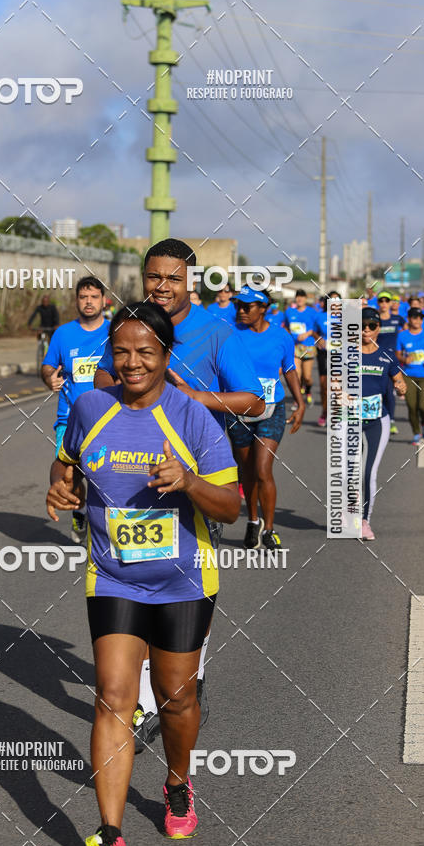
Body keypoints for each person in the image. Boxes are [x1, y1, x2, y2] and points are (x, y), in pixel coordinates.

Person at [46, 303, 240, 846]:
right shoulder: (89, 407)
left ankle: (178, 782)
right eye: (122, 351)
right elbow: (65, 467)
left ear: (165, 354)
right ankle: (109, 837)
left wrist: (189, 482)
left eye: (146, 352)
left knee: (177, 698)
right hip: (112, 575)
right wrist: (59, 491)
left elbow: (231, 506)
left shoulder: (193, 417)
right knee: (112, 696)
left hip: (183, 579)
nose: (132, 363)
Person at [93, 238, 264, 748]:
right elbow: (106, 377)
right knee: (135, 578)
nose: (161, 286)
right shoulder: (132, 324)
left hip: (198, 479)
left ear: (191, 280)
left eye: (172, 278)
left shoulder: (215, 332)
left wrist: (193, 397)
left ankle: (183, 681)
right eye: (153, 277)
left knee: (184, 582)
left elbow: (254, 399)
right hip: (132, 478)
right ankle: (145, 701)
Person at [228, 286, 304, 549]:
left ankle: (269, 529)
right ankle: (252, 520)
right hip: (239, 409)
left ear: (263, 309)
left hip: (272, 407)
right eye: (238, 305)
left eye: (246, 307)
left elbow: (290, 369)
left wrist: (301, 402)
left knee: (262, 469)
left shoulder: (281, 336)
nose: (240, 311)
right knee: (246, 471)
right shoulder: (230, 333)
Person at [41, 276, 110, 542]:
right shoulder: (63, 334)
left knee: (104, 473)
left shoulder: (115, 330)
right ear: (77, 301)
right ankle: (79, 511)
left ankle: (106, 524)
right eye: (83, 297)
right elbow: (48, 365)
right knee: (71, 472)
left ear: (103, 300)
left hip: (107, 416)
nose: (89, 302)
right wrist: (50, 377)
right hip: (69, 417)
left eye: (94, 296)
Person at [359, 309, 407, 539]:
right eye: (362, 325)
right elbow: (335, 382)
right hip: (349, 421)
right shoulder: (345, 354)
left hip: (378, 420)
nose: (366, 329)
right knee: (349, 472)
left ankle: (365, 521)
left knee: (369, 471)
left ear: (379, 328)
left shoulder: (387, 355)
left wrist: (401, 387)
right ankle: (350, 514)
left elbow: (398, 379)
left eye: (371, 325)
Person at [395, 307, 424, 443]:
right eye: (414, 317)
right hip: (408, 375)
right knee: (412, 406)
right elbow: (398, 354)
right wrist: (404, 359)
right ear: (409, 319)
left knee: (423, 406)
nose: (417, 320)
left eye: (420, 318)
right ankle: (416, 433)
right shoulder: (402, 335)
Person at [376, 290, 404, 434]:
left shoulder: (397, 318)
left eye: (387, 301)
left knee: (389, 391)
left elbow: (407, 332)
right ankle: (378, 420)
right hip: (376, 359)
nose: (384, 303)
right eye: (381, 301)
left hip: (392, 361)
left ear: (391, 303)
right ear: (378, 303)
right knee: (378, 392)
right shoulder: (374, 320)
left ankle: (391, 420)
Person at [284, 289, 317, 405]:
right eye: (298, 297)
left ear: (305, 299)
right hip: (295, 347)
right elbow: (286, 327)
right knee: (297, 374)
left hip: (308, 346)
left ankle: (307, 390)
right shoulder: (289, 312)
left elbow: (316, 330)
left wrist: (307, 334)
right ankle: (297, 400)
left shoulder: (312, 312)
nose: (300, 299)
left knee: (307, 377)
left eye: (302, 297)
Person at [313, 291, 341, 427]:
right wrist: (318, 339)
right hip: (324, 353)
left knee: (336, 386)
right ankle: (325, 412)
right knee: (324, 386)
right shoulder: (320, 316)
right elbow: (313, 331)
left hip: (340, 354)